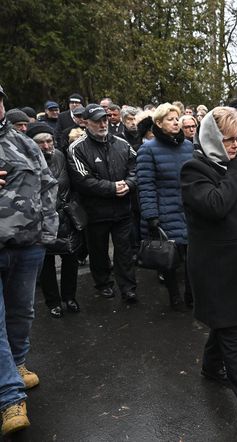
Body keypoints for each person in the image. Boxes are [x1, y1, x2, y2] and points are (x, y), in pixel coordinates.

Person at [181, 106, 237, 433]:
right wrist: (234, 169)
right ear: (210, 137)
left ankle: (210, 365)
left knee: (226, 323)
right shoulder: (194, 169)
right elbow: (216, 205)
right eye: (227, 139)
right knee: (234, 332)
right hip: (216, 268)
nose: (234, 145)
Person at [0, 84, 58, 436]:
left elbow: (48, 187)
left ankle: (17, 363)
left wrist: (47, 234)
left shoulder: (24, 143)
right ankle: (9, 396)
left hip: (27, 245)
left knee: (22, 312)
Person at [68, 104, 138, 303]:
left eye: (105, 119)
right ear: (86, 122)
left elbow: (136, 167)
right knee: (98, 251)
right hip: (95, 212)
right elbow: (83, 181)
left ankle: (128, 287)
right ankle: (103, 283)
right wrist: (112, 188)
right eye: (97, 120)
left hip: (122, 210)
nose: (102, 123)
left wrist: (130, 184)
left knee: (124, 251)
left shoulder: (122, 144)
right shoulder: (77, 148)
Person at [137, 103, 194, 311]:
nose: (175, 122)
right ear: (159, 123)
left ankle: (191, 294)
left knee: (191, 256)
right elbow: (146, 185)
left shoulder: (189, 146)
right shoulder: (147, 150)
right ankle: (174, 296)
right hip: (165, 211)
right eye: (170, 119)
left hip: (188, 209)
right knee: (169, 256)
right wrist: (151, 215)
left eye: (177, 118)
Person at [27, 123, 82, 318]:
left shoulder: (61, 155)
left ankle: (70, 297)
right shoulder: (26, 160)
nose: (46, 145)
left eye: (49, 141)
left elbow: (74, 182)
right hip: (40, 219)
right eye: (41, 142)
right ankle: (53, 302)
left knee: (70, 258)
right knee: (47, 263)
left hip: (65, 216)